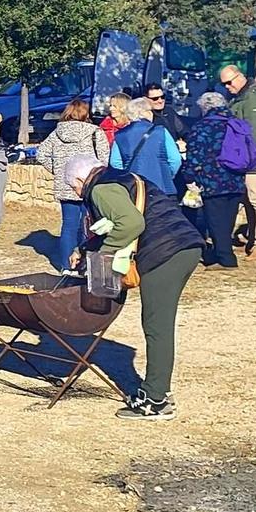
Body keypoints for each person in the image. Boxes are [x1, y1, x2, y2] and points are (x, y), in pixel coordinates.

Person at [65, 156, 204, 420]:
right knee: (158, 323)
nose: (75, 193)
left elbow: (131, 224)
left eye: (73, 188)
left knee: (157, 325)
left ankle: (156, 400)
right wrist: (84, 249)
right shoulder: (119, 178)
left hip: (165, 252)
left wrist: (104, 256)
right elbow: (111, 225)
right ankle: (159, 389)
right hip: (184, 245)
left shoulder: (100, 189)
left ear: (80, 180)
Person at [37, 99, 110, 272]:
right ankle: (84, 264)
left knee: (68, 225)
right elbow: (104, 158)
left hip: (66, 184)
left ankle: (66, 266)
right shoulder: (95, 132)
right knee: (89, 224)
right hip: (88, 184)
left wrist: (58, 170)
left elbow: (41, 154)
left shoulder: (57, 133)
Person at [182, 93, 247, 269]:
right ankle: (222, 251)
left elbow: (194, 155)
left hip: (212, 179)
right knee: (228, 219)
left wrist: (189, 177)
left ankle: (226, 259)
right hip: (236, 176)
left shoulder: (202, 127)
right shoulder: (235, 123)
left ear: (205, 107)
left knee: (216, 220)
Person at [220, 65, 256, 262]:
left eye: (230, 82)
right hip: (246, 159)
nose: (227, 86)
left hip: (253, 160)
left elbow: (253, 133)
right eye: (224, 84)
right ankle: (254, 238)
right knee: (250, 201)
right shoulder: (243, 97)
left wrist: (247, 159)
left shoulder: (253, 98)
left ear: (240, 76)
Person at [112, 97, 183, 198]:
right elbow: (175, 159)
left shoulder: (120, 135)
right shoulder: (161, 131)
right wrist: (168, 174)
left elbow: (115, 163)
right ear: (145, 112)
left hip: (133, 188)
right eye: (151, 110)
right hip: (163, 188)